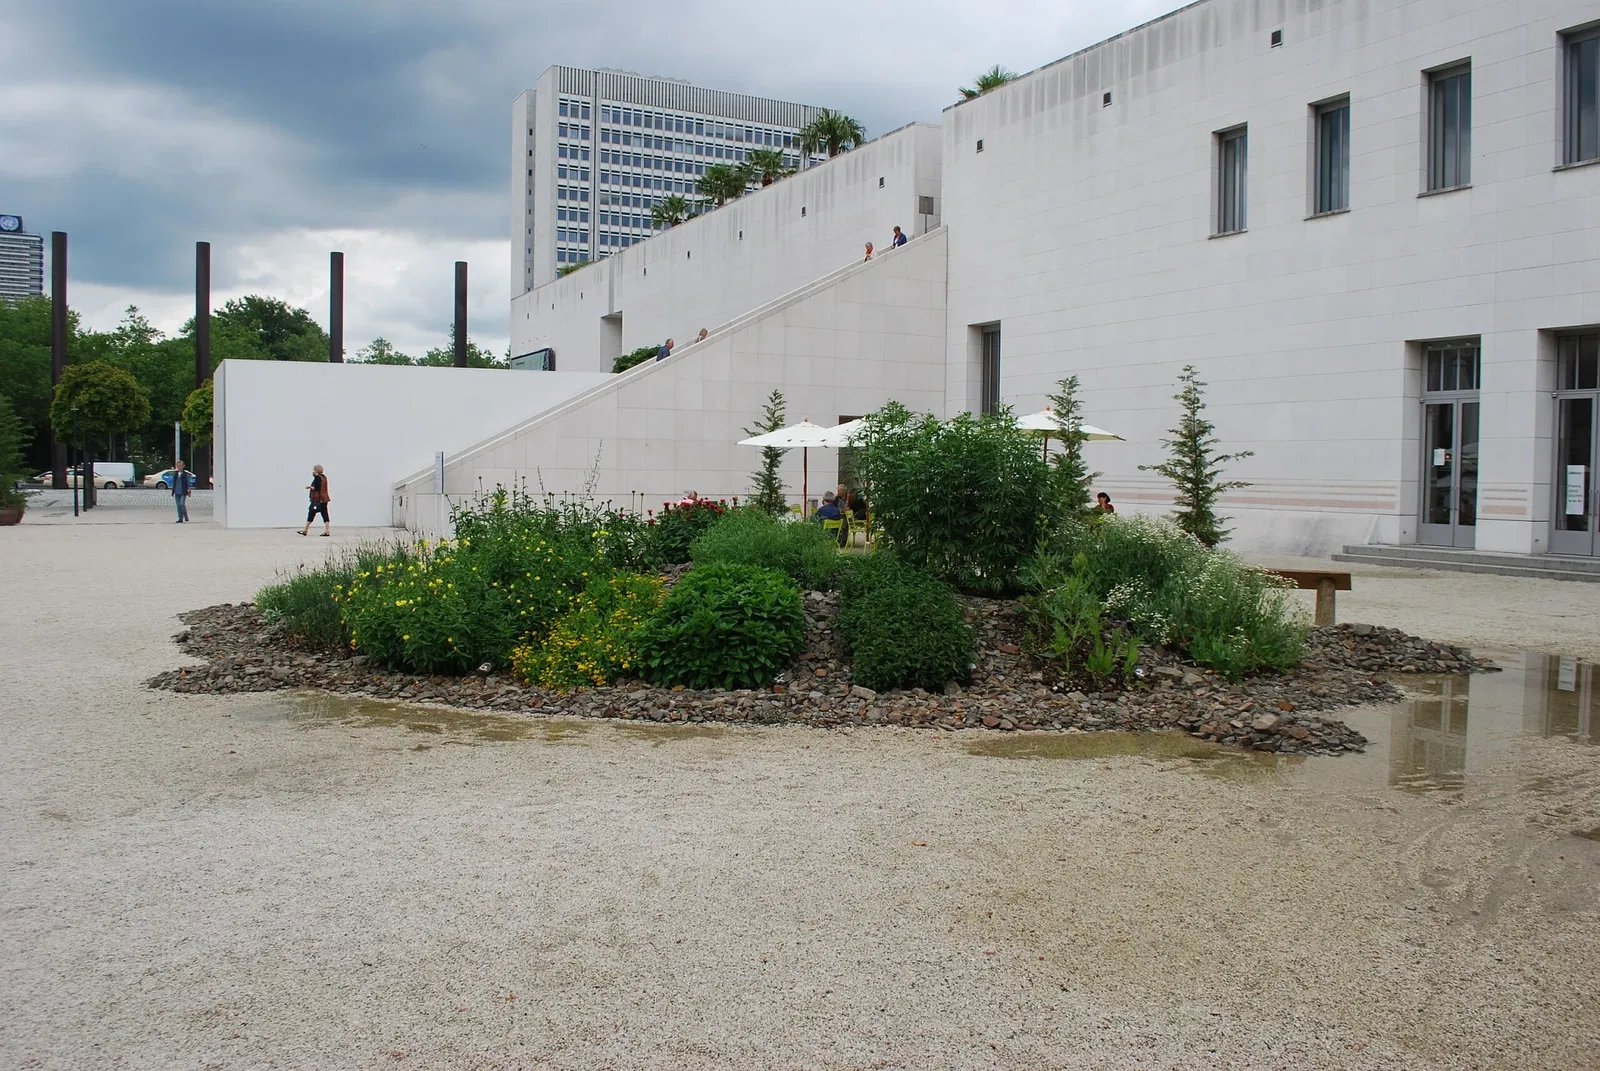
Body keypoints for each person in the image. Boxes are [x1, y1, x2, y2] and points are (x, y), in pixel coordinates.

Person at [299, 464, 331, 536]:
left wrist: (310, 487)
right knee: (325, 514)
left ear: (316, 471)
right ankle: (327, 531)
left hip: (317, 499)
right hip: (324, 499)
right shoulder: (324, 477)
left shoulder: (317, 478)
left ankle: (305, 530)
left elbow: (317, 488)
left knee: (311, 514)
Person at [170, 459, 191, 523]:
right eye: (178, 465)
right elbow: (174, 482)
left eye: (181, 465)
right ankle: (180, 518)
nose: (179, 467)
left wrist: (189, 491)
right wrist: (172, 491)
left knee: (182, 504)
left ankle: (185, 516)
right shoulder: (175, 474)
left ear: (183, 466)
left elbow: (188, 483)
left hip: (183, 491)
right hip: (176, 491)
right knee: (178, 505)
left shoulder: (185, 474)